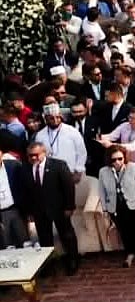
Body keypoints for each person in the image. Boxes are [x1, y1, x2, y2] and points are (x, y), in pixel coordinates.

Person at [26, 141, 80, 275]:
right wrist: (30, 212)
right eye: (30, 156)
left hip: (59, 208)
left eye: (36, 155)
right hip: (39, 210)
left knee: (66, 235)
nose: (33, 158)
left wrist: (69, 206)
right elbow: (26, 191)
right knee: (45, 239)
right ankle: (49, 264)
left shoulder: (58, 165)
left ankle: (73, 260)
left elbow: (68, 187)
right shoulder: (25, 168)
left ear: (44, 153)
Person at [98, 144, 135, 267]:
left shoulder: (134, 167)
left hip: (134, 204)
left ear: (124, 158)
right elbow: (101, 191)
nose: (117, 162)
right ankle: (130, 253)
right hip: (115, 206)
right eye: (114, 160)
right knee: (124, 231)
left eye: (120, 159)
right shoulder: (103, 172)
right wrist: (105, 209)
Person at [35, 103, 87, 183]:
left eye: (58, 117)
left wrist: (78, 170)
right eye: (51, 118)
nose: (55, 120)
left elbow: (82, 152)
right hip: (49, 174)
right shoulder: (40, 135)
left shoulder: (72, 131)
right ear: (46, 119)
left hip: (71, 172)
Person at [0, 144, 30, 248]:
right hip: (1, 214)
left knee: (23, 241)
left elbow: (25, 186)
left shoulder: (13, 166)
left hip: (15, 209)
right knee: (5, 245)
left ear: (1, 154)